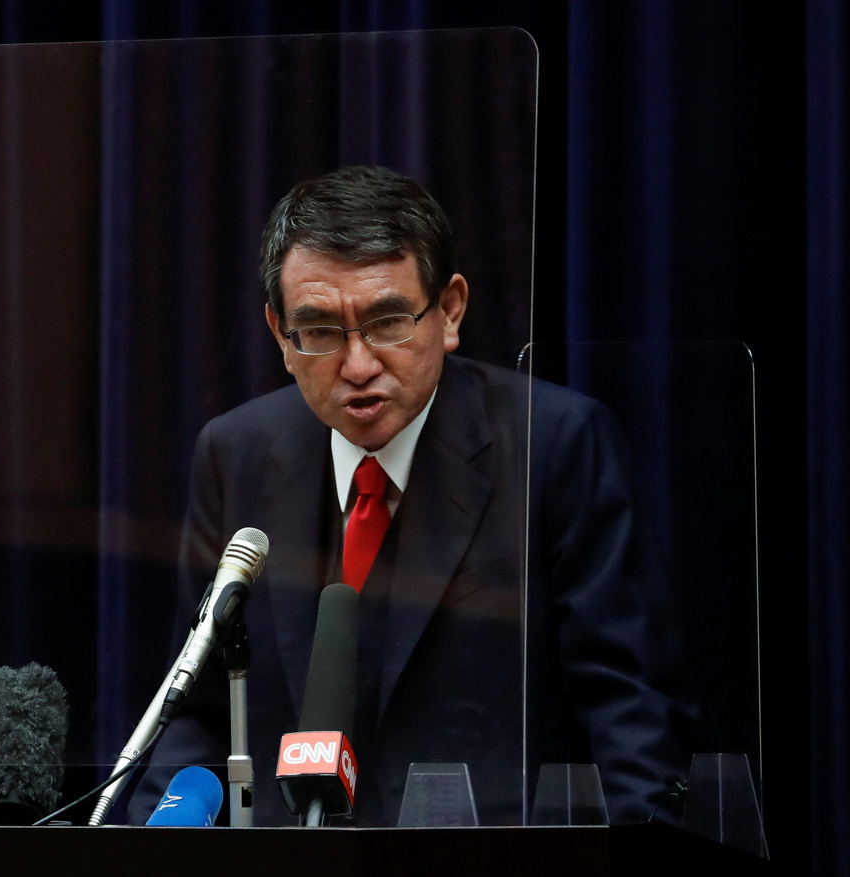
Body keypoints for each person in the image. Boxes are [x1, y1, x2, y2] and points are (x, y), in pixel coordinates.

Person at [129, 165, 691, 827]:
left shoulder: (555, 445)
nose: (359, 365)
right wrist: (150, 846)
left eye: (388, 321)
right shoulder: (236, 453)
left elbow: (628, 711)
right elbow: (196, 712)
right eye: (320, 331)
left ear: (449, 311)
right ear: (280, 334)